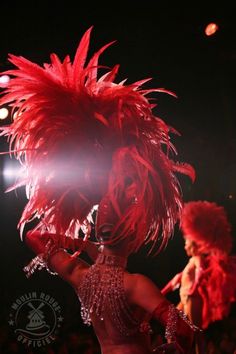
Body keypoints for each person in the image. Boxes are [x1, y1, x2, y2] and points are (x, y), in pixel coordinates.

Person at [0, 27, 198, 353]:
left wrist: (88, 247)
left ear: (100, 230)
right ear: (135, 236)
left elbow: (34, 237)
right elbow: (187, 335)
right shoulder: (135, 286)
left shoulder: (82, 277)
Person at [161, 200, 236, 353]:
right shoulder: (191, 261)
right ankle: (176, 348)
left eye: (186, 242)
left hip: (192, 299)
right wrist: (161, 294)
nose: (184, 245)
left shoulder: (198, 259)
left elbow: (201, 272)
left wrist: (193, 289)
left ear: (194, 245)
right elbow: (176, 279)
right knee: (172, 324)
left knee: (196, 332)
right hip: (185, 298)